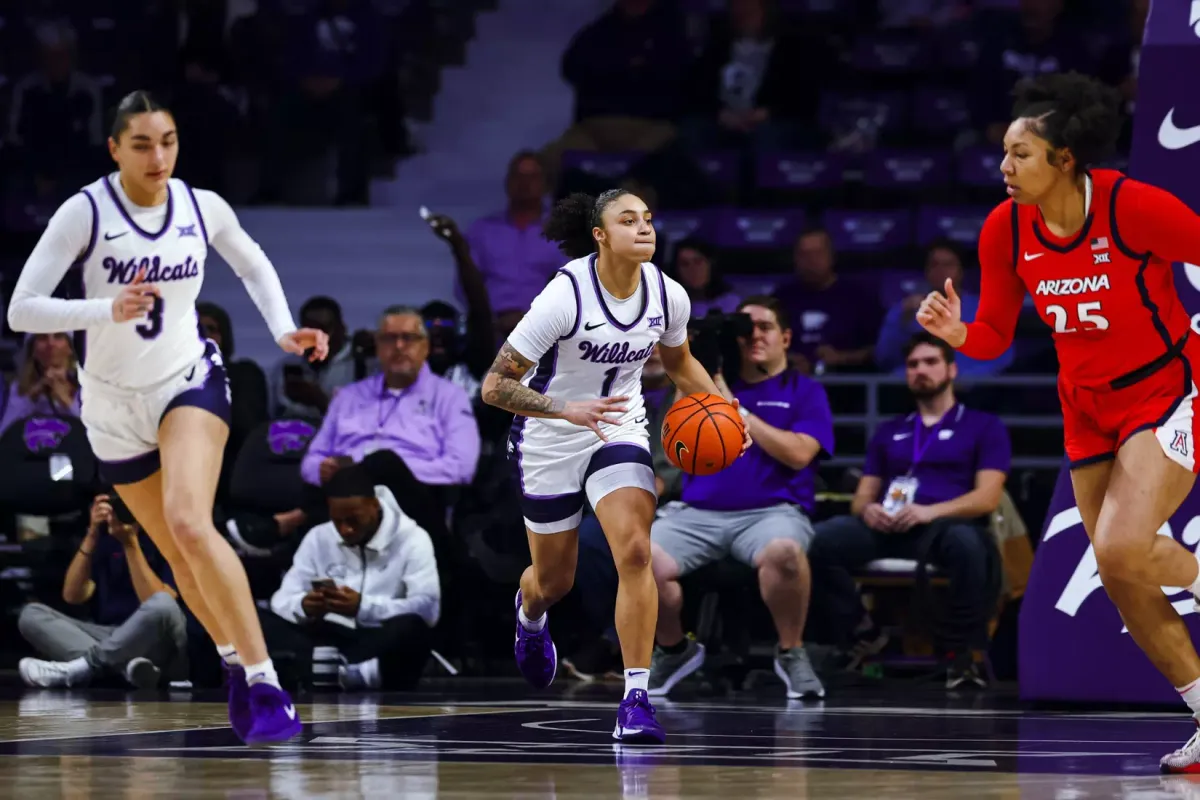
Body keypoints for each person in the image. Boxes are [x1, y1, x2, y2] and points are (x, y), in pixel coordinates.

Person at [6, 90, 329, 746]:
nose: (160, 156)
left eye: (169, 140)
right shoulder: (86, 212)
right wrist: (103, 311)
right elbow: (22, 309)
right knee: (176, 549)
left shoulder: (200, 206)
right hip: (110, 404)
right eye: (143, 144)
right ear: (114, 149)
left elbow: (252, 263)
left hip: (189, 381)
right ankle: (234, 664)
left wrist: (285, 329)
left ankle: (266, 682)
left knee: (190, 521)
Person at [916, 71, 1200, 771]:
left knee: (1124, 546)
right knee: (1117, 569)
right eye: (1006, 154)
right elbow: (994, 336)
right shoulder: (1005, 227)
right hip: (1085, 405)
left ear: (1064, 159)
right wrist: (958, 335)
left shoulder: (1133, 207)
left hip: (1166, 388)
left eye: (1020, 154)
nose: (1004, 168)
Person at [480, 189, 749, 743]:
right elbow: (494, 386)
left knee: (635, 550)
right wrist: (563, 407)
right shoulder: (564, 296)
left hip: (618, 428)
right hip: (550, 436)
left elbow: (678, 362)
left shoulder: (667, 295)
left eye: (648, 218)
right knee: (554, 581)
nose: (644, 228)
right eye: (628, 220)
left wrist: (725, 408)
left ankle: (636, 697)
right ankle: (530, 615)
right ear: (600, 235)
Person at [649, 296, 835, 700]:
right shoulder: (701, 385)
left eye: (764, 327)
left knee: (785, 552)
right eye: (744, 329)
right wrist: (695, 369)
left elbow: (800, 452)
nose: (753, 336)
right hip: (697, 513)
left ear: (786, 337)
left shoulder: (804, 391)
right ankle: (673, 648)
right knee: (638, 558)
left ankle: (791, 652)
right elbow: (676, 447)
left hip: (771, 513)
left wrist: (737, 410)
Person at [808, 334, 1009, 688]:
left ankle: (960, 655)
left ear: (951, 370)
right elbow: (862, 498)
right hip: (888, 525)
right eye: (913, 365)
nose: (920, 371)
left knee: (971, 547)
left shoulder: (984, 426)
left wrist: (930, 513)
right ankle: (863, 633)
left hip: (942, 527)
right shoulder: (890, 430)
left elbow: (987, 498)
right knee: (820, 541)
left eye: (930, 362)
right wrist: (869, 511)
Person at [265, 465, 439, 692]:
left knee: (413, 627)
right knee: (257, 618)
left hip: (375, 637)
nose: (345, 529)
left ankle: (316, 672)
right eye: (337, 521)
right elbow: (281, 600)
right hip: (326, 637)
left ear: (374, 506)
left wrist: (363, 607)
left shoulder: (413, 539)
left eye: (354, 520)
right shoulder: (318, 536)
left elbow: (428, 607)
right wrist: (304, 605)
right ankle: (338, 672)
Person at [18, 492, 188, 689]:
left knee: (163, 604)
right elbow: (73, 595)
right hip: (108, 635)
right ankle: (126, 668)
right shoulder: (106, 538)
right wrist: (91, 535)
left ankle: (85, 667)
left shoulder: (170, 535)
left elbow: (158, 601)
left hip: (157, 639)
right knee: (31, 615)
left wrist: (130, 544)